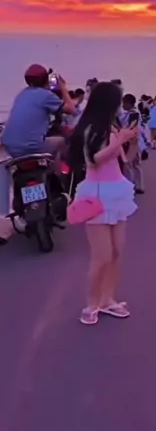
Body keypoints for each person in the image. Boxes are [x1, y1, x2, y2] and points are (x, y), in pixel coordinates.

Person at [69, 82, 138, 325]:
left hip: (117, 191)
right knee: (102, 255)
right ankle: (91, 304)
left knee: (117, 251)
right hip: (97, 194)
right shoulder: (90, 129)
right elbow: (93, 160)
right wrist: (119, 141)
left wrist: (130, 141)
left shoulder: (111, 127)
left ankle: (108, 299)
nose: (119, 106)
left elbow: (123, 160)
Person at [1, 64, 76, 167]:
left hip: (10, 147)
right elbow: (72, 109)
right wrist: (63, 87)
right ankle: (58, 172)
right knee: (62, 141)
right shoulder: (46, 95)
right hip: (31, 148)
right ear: (46, 79)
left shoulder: (22, 94)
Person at [118, 93, 144, 195]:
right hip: (130, 140)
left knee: (129, 163)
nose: (123, 105)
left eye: (124, 103)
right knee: (134, 164)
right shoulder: (125, 113)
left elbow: (131, 127)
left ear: (129, 103)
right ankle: (137, 185)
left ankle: (132, 185)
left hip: (132, 141)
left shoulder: (134, 114)